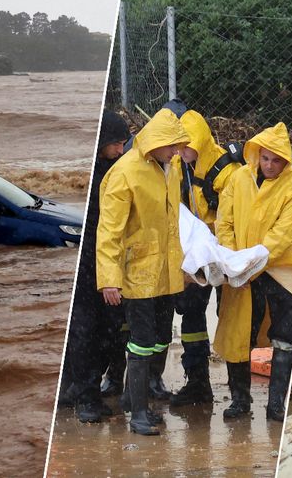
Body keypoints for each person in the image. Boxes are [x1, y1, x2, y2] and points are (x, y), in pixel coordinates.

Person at [96, 108, 189, 436]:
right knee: (140, 342)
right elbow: (109, 231)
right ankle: (137, 414)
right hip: (138, 275)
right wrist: (109, 279)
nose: (177, 151)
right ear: (157, 143)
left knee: (159, 339)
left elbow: (173, 222)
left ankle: (136, 403)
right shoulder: (125, 173)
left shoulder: (170, 167)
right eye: (173, 145)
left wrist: (183, 266)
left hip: (165, 273)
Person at [214, 122, 292, 422]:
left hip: (282, 272)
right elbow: (224, 221)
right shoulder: (239, 178)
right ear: (257, 154)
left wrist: (253, 261)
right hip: (240, 270)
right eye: (265, 158)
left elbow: (283, 234)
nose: (269, 165)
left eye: (276, 160)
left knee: (284, 335)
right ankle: (240, 401)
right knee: (238, 335)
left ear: (285, 160)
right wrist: (233, 259)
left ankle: (276, 404)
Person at [61, 110, 131, 423]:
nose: (120, 149)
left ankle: (82, 391)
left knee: (108, 330)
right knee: (84, 331)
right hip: (86, 262)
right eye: (116, 143)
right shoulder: (92, 173)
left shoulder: (117, 169)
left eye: (123, 143)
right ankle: (84, 397)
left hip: (108, 263)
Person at [169, 109, 243, 407]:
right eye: (178, 146)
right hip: (197, 256)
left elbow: (233, 218)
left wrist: (225, 257)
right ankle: (197, 383)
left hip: (225, 254)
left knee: (233, 320)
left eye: (186, 146)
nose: (182, 152)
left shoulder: (228, 172)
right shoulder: (177, 167)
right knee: (191, 314)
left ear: (199, 141)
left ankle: (239, 393)